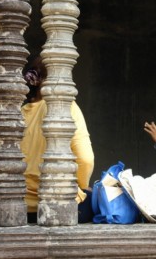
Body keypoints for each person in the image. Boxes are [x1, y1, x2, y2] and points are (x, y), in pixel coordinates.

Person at [20, 57, 95, 224]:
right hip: (58, 204)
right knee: (104, 199)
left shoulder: (18, 113)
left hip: (22, 207)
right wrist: (82, 188)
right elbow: (85, 159)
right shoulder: (67, 106)